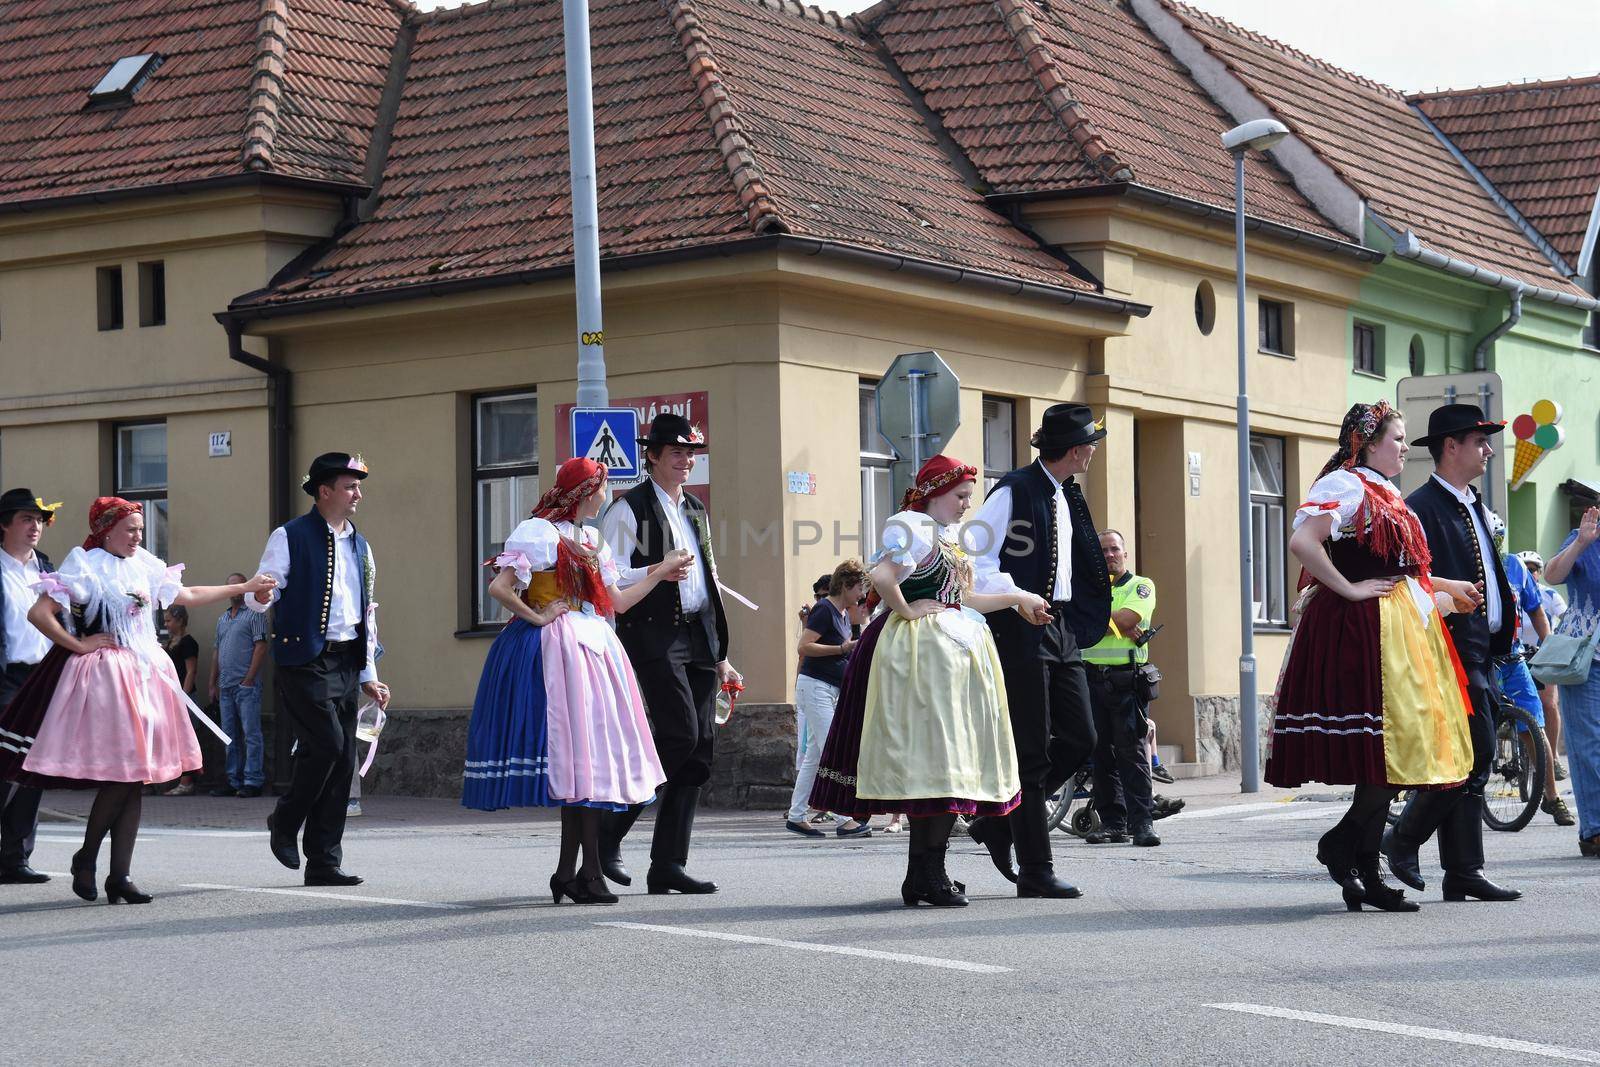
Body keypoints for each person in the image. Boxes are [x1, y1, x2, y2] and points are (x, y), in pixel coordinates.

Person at [0, 497, 273, 903]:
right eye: (129, 529)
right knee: (124, 775)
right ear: (106, 529)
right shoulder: (84, 563)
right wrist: (79, 644)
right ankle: (90, 859)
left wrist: (244, 587)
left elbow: (187, 593)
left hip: (146, 673)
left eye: (140, 529)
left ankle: (117, 874)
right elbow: (40, 613)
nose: (137, 536)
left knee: (135, 777)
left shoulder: (143, 562)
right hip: (108, 678)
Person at [1267, 402, 1478, 912]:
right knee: (1387, 751)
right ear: (1369, 441)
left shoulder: (1388, 493)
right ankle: (1354, 855)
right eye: (1399, 438)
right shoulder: (1346, 484)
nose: (1406, 448)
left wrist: (1451, 586)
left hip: (1401, 628)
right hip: (1365, 632)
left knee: (1392, 752)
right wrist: (1351, 589)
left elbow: (1405, 570)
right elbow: (1303, 541)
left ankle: (1357, 859)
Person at [809, 456, 1047, 906]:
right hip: (918, 657)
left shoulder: (950, 538)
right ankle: (928, 871)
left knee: (945, 763)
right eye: (959, 496)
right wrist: (908, 610)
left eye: (966, 497)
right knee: (934, 763)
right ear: (935, 493)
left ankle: (923, 872)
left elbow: (965, 597)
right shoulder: (911, 527)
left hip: (950, 652)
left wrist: (1018, 598)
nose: (965, 505)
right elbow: (882, 575)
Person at [463, 458, 677, 904]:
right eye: (601, 487)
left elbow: (615, 602)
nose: (606, 494)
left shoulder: (591, 538)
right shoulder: (540, 532)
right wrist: (538, 616)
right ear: (584, 492)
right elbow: (500, 588)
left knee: (587, 766)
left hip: (594, 647)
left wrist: (658, 571)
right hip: (555, 650)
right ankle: (587, 874)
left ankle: (572, 872)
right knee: (578, 762)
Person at [964, 403, 1111, 899]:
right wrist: (1016, 596)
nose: (1093, 450)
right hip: (1020, 626)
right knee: (1030, 750)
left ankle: (999, 827)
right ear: (1075, 450)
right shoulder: (1014, 489)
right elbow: (973, 554)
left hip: (1060, 625)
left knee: (1080, 737)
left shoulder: (1066, 492)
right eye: (1090, 443)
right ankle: (1035, 869)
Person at [598, 413, 741, 895]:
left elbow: (709, 580)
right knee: (678, 736)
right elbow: (609, 579)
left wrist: (721, 654)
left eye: (691, 453)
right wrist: (657, 569)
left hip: (698, 635)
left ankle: (668, 865)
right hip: (654, 634)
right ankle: (607, 834)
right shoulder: (628, 510)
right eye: (676, 452)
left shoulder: (695, 509)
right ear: (653, 456)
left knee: (699, 750)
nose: (686, 461)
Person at [1386, 403, 1522, 902]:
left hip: (1479, 649)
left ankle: (1463, 869)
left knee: (1470, 756)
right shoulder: (1421, 507)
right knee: (1475, 750)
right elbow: (1408, 582)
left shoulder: (1471, 503)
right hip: (1445, 652)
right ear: (1451, 447)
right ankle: (1401, 838)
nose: (1487, 449)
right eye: (1479, 441)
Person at [249, 452, 391, 888]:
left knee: (342, 758)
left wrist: (368, 672)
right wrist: (262, 595)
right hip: (305, 657)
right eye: (349, 486)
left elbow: (364, 613)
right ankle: (285, 818)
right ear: (324, 490)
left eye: (358, 486)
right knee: (327, 746)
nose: (357, 494)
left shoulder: (360, 544)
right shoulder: (290, 535)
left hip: (347, 658)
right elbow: (265, 589)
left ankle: (324, 861)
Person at [0, 489, 62, 885]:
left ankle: (15, 857)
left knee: (32, 768)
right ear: (4, 524)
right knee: (5, 764)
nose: (35, 526)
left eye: (39, 519)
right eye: (26, 518)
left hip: (43, 677)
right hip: (6, 677)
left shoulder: (48, 569)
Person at [1082, 529, 1159, 847]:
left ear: (1125, 553)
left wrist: (1097, 619)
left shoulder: (1141, 585)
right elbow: (1085, 622)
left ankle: (1142, 823)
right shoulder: (1086, 588)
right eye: (1103, 550)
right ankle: (1113, 823)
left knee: (1132, 754)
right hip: (1090, 679)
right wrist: (1113, 622)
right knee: (1101, 756)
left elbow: (1130, 619)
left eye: (1115, 549)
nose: (1109, 554)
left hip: (1127, 682)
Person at [785, 559, 871, 839]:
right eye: (859, 588)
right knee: (832, 750)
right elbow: (804, 646)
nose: (861, 595)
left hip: (828, 689)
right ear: (845, 586)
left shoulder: (844, 614)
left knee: (814, 755)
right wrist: (843, 648)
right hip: (815, 687)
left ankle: (797, 816)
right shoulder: (825, 610)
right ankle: (845, 817)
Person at [1491, 533, 1572, 825]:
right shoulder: (1466, 560)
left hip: (1513, 658)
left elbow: (1536, 610)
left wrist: (1548, 648)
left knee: (1535, 727)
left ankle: (1552, 797)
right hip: (1478, 658)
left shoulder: (1514, 566)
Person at [1541, 504, 1600, 858]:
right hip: (1586, 656)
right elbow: (1552, 574)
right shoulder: (1586, 535)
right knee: (1588, 743)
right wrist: (1580, 542)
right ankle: (1594, 829)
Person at [209, 573, 269, 798]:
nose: (235, 590)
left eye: (238, 586)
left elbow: (261, 646)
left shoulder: (255, 613)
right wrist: (212, 682)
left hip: (246, 687)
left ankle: (253, 781)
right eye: (230, 587)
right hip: (225, 686)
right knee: (229, 735)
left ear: (246, 588)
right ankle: (233, 781)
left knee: (251, 734)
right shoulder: (223, 619)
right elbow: (216, 650)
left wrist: (249, 679)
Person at [1520, 550, 1569, 781]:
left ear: (1539, 573)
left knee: (1549, 704)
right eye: (1525, 569)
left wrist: (1555, 641)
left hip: (1543, 654)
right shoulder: (1514, 592)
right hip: (1517, 654)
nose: (1529, 573)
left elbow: (1566, 618)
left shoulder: (1549, 595)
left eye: (1533, 569)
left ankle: (1555, 758)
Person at [159, 605, 201, 796]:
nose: (166, 624)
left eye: (169, 620)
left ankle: (187, 781)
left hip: (183, 695)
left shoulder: (188, 642)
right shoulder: (169, 643)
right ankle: (171, 778)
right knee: (172, 738)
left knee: (185, 737)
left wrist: (182, 697)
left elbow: (191, 670)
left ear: (180, 620)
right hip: (169, 695)